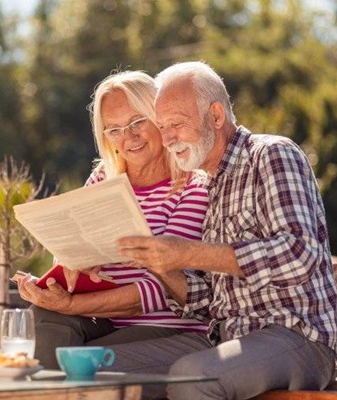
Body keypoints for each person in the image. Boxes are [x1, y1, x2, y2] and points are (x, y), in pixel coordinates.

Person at [107, 61, 337, 400]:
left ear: (217, 116)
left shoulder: (271, 155)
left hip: (298, 337)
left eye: (176, 124)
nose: (166, 140)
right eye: (161, 127)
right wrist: (158, 265)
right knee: (96, 372)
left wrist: (187, 251)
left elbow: (301, 254)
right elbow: (207, 299)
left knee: (193, 377)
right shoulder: (212, 184)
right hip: (227, 339)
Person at [17, 70, 210, 369]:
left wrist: (73, 305)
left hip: (166, 327)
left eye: (137, 122)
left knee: (74, 362)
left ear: (157, 117)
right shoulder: (104, 178)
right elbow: (69, 258)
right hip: (107, 321)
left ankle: (55, 387)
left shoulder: (193, 185)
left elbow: (162, 291)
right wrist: (66, 271)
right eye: (114, 129)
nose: (128, 137)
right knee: (47, 314)